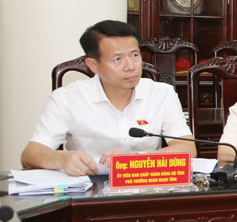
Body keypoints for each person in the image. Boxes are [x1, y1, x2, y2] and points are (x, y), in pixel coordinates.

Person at [21, 20, 196, 176]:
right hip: (90, 190)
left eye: (135, 55)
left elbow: (187, 148)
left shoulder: (162, 94)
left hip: (146, 188)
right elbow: (30, 155)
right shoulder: (66, 98)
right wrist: (62, 159)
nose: (130, 66)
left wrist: (133, 161)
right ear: (93, 65)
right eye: (117, 59)